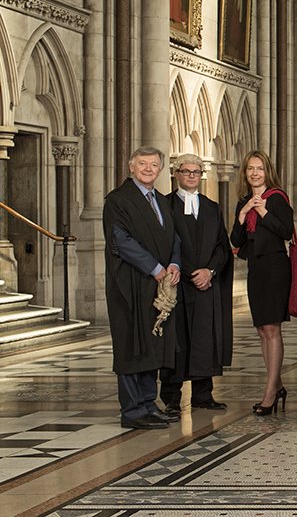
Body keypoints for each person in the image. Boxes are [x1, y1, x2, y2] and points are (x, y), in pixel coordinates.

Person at [102, 146, 182, 429]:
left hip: (157, 285)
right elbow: (121, 240)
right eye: (142, 164)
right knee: (130, 344)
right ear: (131, 167)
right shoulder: (118, 200)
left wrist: (174, 263)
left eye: (154, 165)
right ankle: (133, 410)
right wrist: (155, 267)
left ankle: (149, 403)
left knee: (153, 344)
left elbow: (174, 237)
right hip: (130, 284)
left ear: (160, 169)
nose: (148, 169)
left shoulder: (161, 201)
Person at [161, 154, 233, 415]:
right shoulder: (165, 205)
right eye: (186, 171)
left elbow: (221, 247)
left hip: (205, 284)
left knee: (204, 338)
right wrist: (188, 271)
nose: (191, 176)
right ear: (176, 174)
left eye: (196, 172)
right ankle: (171, 397)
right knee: (176, 341)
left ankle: (203, 394)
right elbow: (163, 244)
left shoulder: (212, 207)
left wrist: (210, 271)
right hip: (178, 284)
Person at [229, 150, 294, 416]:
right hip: (255, 269)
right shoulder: (243, 201)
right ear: (245, 173)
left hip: (275, 268)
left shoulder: (277, 198)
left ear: (267, 171)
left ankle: (269, 392)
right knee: (261, 331)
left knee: (272, 328)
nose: (255, 173)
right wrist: (243, 214)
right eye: (250, 169)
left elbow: (286, 231)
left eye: (259, 169)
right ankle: (276, 384)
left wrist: (264, 211)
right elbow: (235, 240)